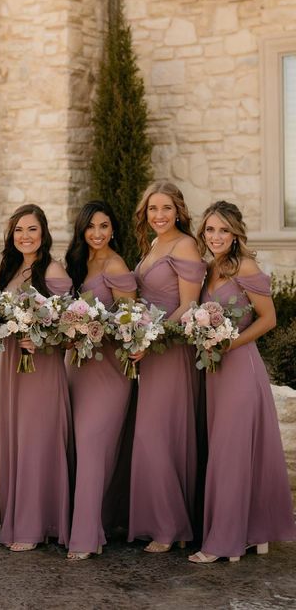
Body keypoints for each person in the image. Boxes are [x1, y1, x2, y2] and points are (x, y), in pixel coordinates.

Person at [189, 201, 296, 563]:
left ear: (235, 234)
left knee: (230, 453)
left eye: (223, 230)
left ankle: (224, 543)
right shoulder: (209, 269)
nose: (216, 237)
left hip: (239, 369)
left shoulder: (245, 267)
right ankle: (253, 533)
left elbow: (268, 319)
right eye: (210, 230)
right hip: (214, 372)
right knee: (224, 450)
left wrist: (227, 343)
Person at [128, 180, 205, 553]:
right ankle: (164, 522)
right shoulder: (154, 245)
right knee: (150, 435)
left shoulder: (186, 245)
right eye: (153, 209)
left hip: (172, 352)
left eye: (166, 209)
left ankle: (171, 527)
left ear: (179, 212)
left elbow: (189, 306)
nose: (159, 215)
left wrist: (151, 338)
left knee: (158, 436)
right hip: (152, 350)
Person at [0, 204, 73, 552]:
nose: (25, 237)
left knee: (37, 438)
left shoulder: (53, 271)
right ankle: (15, 516)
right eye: (19, 231)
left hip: (42, 364)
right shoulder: (9, 269)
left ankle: (35, 524)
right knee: (16, 436)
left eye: (32, 230)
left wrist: (42, 337)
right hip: (14, 361)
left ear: (44, 233)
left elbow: (70, 327)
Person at [64, 201, 137, 560]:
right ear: (82, 230)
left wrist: (98, 327)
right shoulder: (78, 264)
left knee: (94, 444)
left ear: (114, 229)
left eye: (104, 226)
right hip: (77, 367)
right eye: (91, 227)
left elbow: (131, 320)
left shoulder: (116, 265)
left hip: (109, 370)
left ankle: (85, 537)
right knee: (80, 447)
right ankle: (93, 522)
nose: (97, 233)